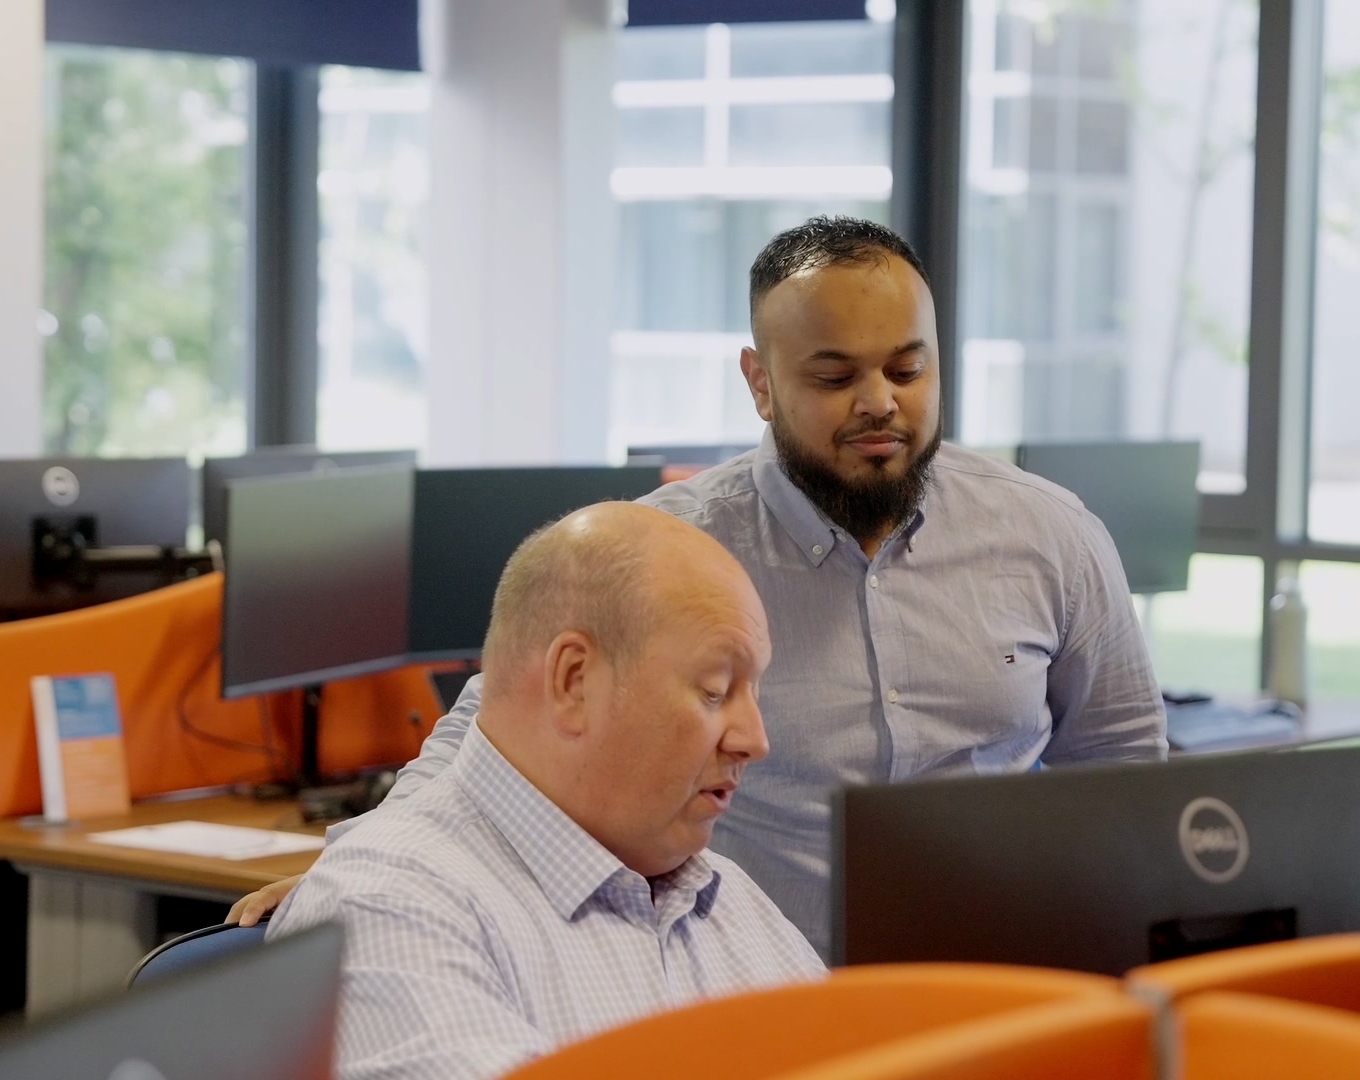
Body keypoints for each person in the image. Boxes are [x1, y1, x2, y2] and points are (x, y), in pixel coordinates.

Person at [238, 216, 1166, 954]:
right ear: (760, 383)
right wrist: (361, 866)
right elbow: (494, 730)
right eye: (835, 375)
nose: (880, 401)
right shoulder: (668, 548)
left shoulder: (1050, 535)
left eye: (907, 368)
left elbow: (1123, 768)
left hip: (988, 990)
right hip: (758, 1003)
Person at [267, 502, 822, 1080]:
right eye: (714, 691)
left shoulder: (726, 897)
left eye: (753, 692)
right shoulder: (383, 911)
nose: (755, 740)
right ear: (574, 681)